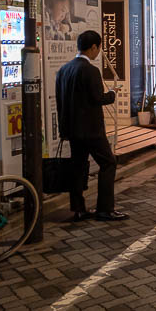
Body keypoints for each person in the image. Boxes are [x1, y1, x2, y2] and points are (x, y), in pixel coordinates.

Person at [55, 30, 127, 221]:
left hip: (72, 129)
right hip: (92, 130)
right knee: (108, 163)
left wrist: (64, 130)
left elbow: (60, 102)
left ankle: (78, 209)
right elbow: (98, 98)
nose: (97, 52)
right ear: (94, 47)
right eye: (98, 48)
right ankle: (105, 209)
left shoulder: (64, 70)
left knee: (78, 167)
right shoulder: (91, 71)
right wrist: (112, 93)